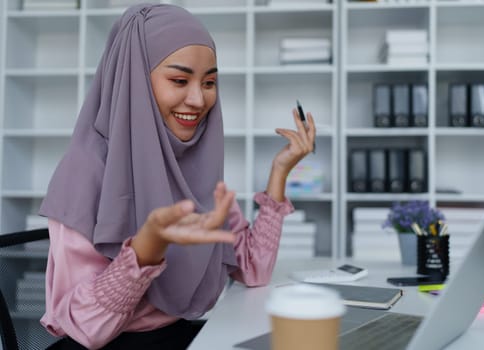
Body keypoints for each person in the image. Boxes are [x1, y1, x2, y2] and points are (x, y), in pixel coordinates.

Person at [38, 3, 316, 350]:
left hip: (180, 337)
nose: (199, 99)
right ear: (134, 78)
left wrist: (280, 171)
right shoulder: (85, 171)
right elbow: (86, 328)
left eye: (210, 82)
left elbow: (252, 268)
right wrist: (146, 249)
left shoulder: (193, 166)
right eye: (179, 80)